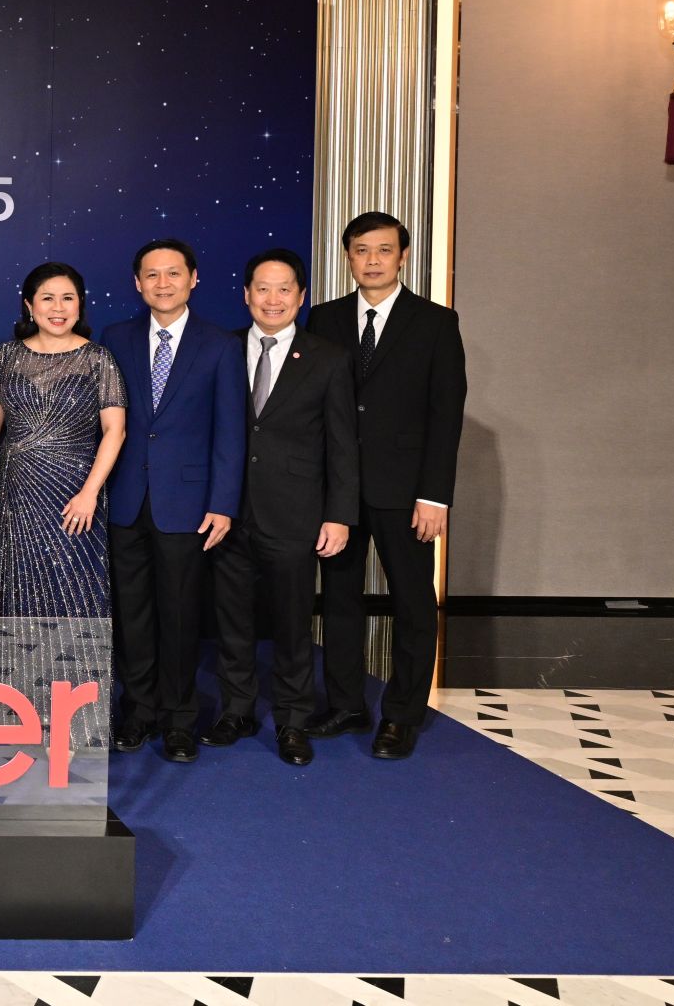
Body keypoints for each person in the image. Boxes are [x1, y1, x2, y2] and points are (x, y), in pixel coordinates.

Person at [308, 211, 466, 760]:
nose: (372, 260)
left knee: (414, 604)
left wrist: (435, 495)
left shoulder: (436, 322)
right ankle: (346, 704)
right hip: (339, 492)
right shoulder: (324, 319)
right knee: (339, 603)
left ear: (403, 256)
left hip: (407, 492)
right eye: (361, 250)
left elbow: (446, 414)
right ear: (347, 257)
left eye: (383, 250)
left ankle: (402, 715)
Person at [204, 248, 358, 768]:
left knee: (293, 624)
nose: (273, 299)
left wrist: (339, 514)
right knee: (232, 621)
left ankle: (293, 719)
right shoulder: (221, 349)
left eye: (284, 289)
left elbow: (342, 444)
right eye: (263, 288)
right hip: (228, 512)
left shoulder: (328, 358)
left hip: (295, 513)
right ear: (246, 294)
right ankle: (237, 710)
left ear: (301, 296)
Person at [100, 239, 246, 764]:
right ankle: (138, 710)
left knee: (181, 615)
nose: (163, 284)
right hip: (125, 499)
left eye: (173, 273)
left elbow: (231, 431)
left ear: (193, 278)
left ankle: (180, 718)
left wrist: (223, 502)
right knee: (133, 615)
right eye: (152, 275)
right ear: (137, 283)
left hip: (188, 503)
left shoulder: (220, 345)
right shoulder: (115, 338)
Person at [0, 262, 126, 620]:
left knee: (75, 585)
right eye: (48, 298)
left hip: (75, 495)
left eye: (68, 298)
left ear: (80, 305)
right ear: (29, 305)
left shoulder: (98, 359)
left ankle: (77, 660)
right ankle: (16, 658)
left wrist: (90, 493)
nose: (58, 308)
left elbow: (115, 431)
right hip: (17, 495)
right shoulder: (5, 356)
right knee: (19, 585)